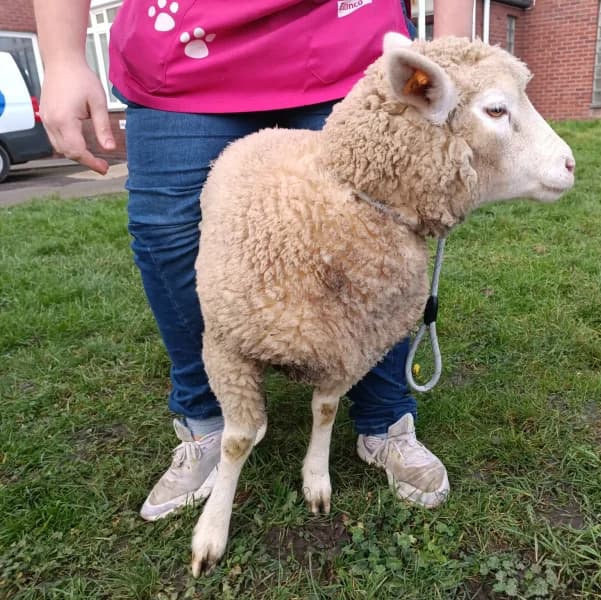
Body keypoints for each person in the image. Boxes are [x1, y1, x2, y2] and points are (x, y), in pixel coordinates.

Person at [35, 0, 472, 520]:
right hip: (181, 54)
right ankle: (206, 419)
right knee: (165, 232)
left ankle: (384, 419)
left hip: (343, 39)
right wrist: (61, 57)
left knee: (375, 233)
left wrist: (449, 58)